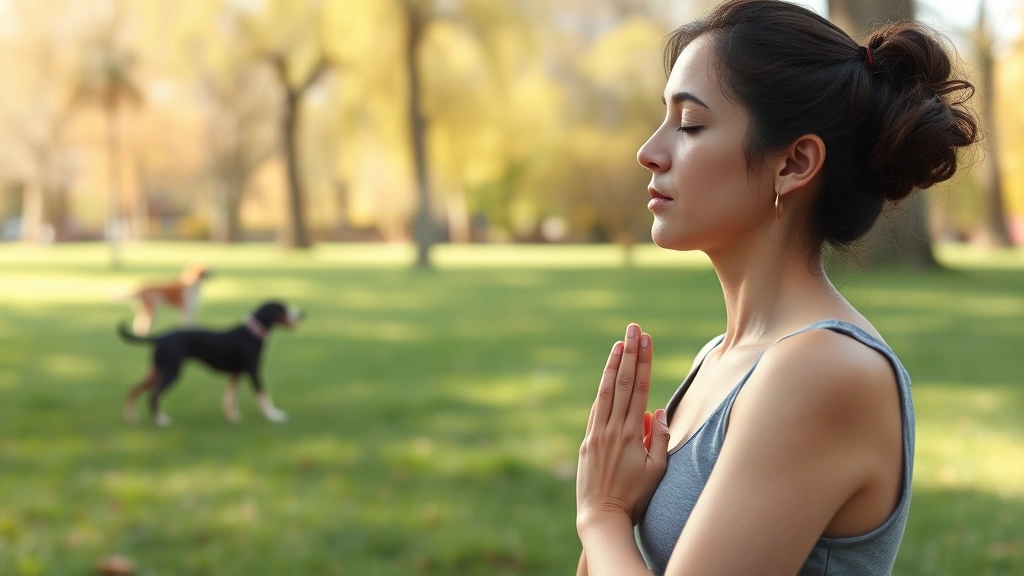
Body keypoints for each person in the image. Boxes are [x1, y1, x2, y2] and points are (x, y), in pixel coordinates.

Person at [574, 1, 978, 575]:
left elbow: (605, 522)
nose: (650, 151)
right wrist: (611, 516)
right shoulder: (718, 360)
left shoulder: (824, 369)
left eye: (689, 124)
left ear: (793, 162)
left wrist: (603, 514)